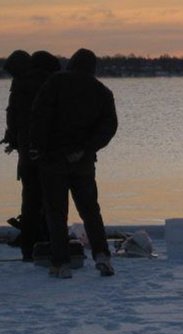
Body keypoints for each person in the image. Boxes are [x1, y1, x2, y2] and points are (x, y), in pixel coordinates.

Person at [30, 48, 118, 278]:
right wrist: (86, 149)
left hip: (52, 160)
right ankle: (102, 256)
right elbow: (108, 128)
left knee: (56, 213)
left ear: (72, 64)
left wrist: (36, 147)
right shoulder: (102, 92)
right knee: (91, 211)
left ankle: (62, 264)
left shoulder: (55, 83)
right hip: (83, 163)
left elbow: (39, 116)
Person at [2, 50, 60, 261]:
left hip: (27, 153)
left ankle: (28, 246)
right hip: (49, 152)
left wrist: (14, 139)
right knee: (51, 199)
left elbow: (13, 116)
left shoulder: (20, 86)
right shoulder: (52, 83)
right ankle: (50, 242)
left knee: (30, 199)